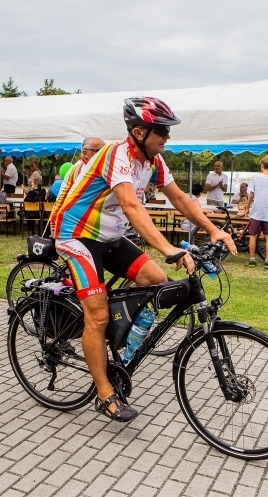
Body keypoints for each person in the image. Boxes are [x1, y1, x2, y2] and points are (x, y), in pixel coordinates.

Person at [50, 97, 235, 422]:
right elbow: (132, 206)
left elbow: (180, 198)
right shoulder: (116, 155)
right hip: (76, 235)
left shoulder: (153, 161)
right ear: (139, 132)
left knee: (156, 281)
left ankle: (116, 337)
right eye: (161, 130)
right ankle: (104, 393)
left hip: (109, 237)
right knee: (97, 316)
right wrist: (168, 249)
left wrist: (213, 230)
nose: (167, 136)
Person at [245, 155, 268, 269]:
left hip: (257, 210)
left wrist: (247, 207)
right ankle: (267, 261)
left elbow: (251, 195)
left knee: (253, 235)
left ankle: (252, 259)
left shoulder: (256, 178)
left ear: (262, 165)